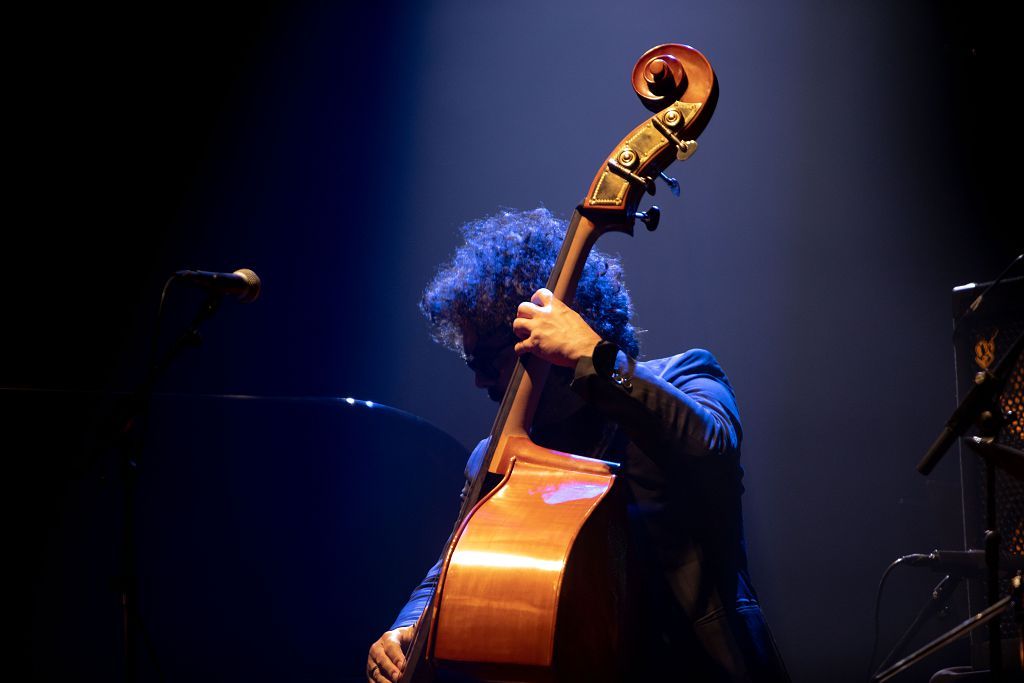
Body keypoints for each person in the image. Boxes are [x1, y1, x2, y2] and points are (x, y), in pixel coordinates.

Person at [366, 208, 789, 682]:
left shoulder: (686, 377)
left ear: (548, 335)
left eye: (488, 359)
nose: (480, 380)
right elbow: (453, 567)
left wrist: (593, 355)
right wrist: (407, 628)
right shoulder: (497, 456)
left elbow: (709, 449)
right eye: (471, 364)